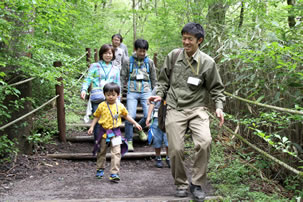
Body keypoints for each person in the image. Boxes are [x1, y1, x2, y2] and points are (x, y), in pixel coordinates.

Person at [148, 22, 225, 201]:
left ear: (199, 40)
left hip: (198, 108)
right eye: (184, 38)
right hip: (175, 107)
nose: (186, 42)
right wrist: (159, 95)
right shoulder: (173, 57)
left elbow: (217, 89)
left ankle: (197, 184)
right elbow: (162, 81)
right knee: (175, 149)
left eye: (190, 39)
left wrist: (219, 108)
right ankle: (181, 183)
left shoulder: (207, 62)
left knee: (205, 142)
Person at [88, 82, 142, 182]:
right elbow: (96, 116)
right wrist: (92, 127)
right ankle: (100, 168)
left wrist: (135, 123)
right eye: (108, 95)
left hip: (116, 132)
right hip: (104, 132)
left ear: (118, 95)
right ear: (104, 94)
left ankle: (114, 173)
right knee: (101, 151)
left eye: (113, 95)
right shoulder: (102, 106)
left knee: (116, 152)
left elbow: (126, 116)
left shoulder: (120, 106)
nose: (111, 97)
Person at [121, 39, 157, 152]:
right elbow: (122, 77)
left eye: (144, 51)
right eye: (140, 51)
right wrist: (119, 92)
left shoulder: (149, 62)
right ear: (135, 50)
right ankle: (129, 140)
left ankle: (138, 128)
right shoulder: (128, 61)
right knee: (129, 115)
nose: (142, 53)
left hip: (146, 91)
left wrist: (156, 93)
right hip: (132, 91)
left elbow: (154, 78)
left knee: (148, 115)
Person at [81, 44, 121, 142]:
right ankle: (98, 142)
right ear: (101, 54)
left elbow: (117, 84)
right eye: (106, 53)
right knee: (98, 120)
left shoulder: (116, 68)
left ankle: (109, 142)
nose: (108, 55)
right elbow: (88, 79)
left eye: (110, 53)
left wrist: (118, 99)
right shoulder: (95, 66)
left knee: (111, 119)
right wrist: (84, 90)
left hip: (111, 97)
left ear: (113, 55)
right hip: (97, 96)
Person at [145, 86, 170, 168]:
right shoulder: (157, 88)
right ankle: (158, 158)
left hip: (169, 116)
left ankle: (168, 157)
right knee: (157, 139)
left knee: (168, 139)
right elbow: (152, 103)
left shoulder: (173, 87)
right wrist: (148, 117)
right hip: (156, 116)